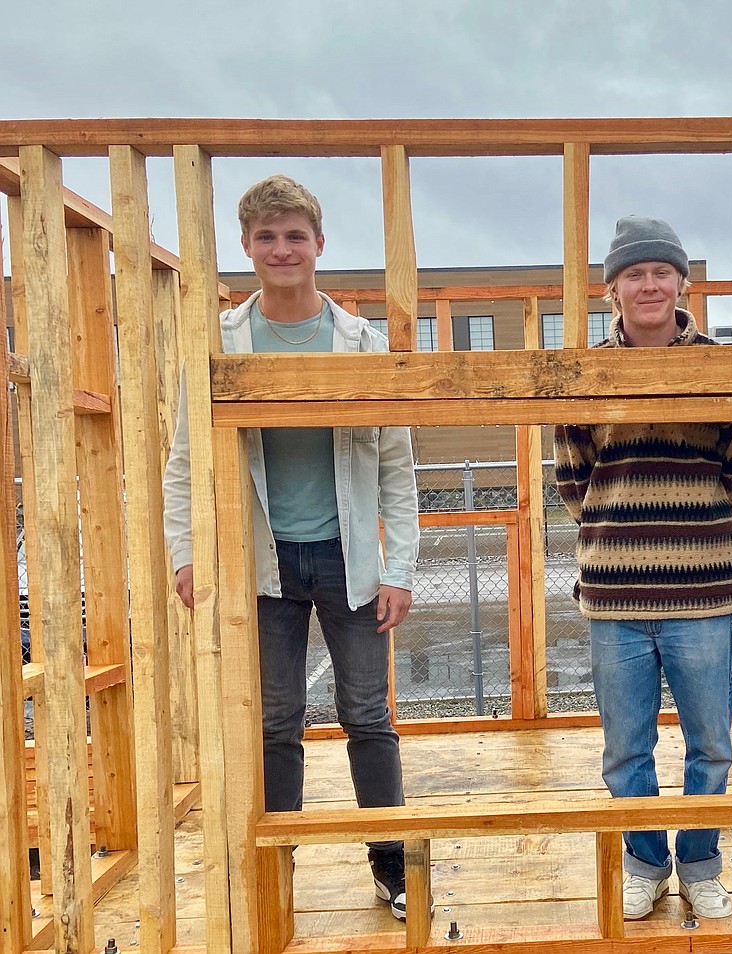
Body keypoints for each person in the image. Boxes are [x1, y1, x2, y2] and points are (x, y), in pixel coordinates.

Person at [163, 175, 425, 919]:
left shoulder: (360, 342)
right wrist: (187, 554)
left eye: (294, 235)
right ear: (246, 247)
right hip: (261, 561)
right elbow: (184, 462)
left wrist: (399, 567)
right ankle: (278, 870)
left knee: (367, 716)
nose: (282, 249)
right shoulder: (219, 340)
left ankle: (392, 864)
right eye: (266, 237)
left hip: (350, 562)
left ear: (318, 245)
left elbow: (397, 465)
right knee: (274, 723)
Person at [554, 216, 732, 921]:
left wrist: (686, 525)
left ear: (681, 283)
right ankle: (644, 860)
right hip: (614, 594)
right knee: (625, 750)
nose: (648, 285)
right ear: (612, 289)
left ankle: (699, 862)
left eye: (659, 272)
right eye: (633, 274)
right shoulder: (585, 370)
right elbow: (573, 479)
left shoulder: (718, 366)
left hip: (702, 589)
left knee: (710, 743)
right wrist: (623, 531)